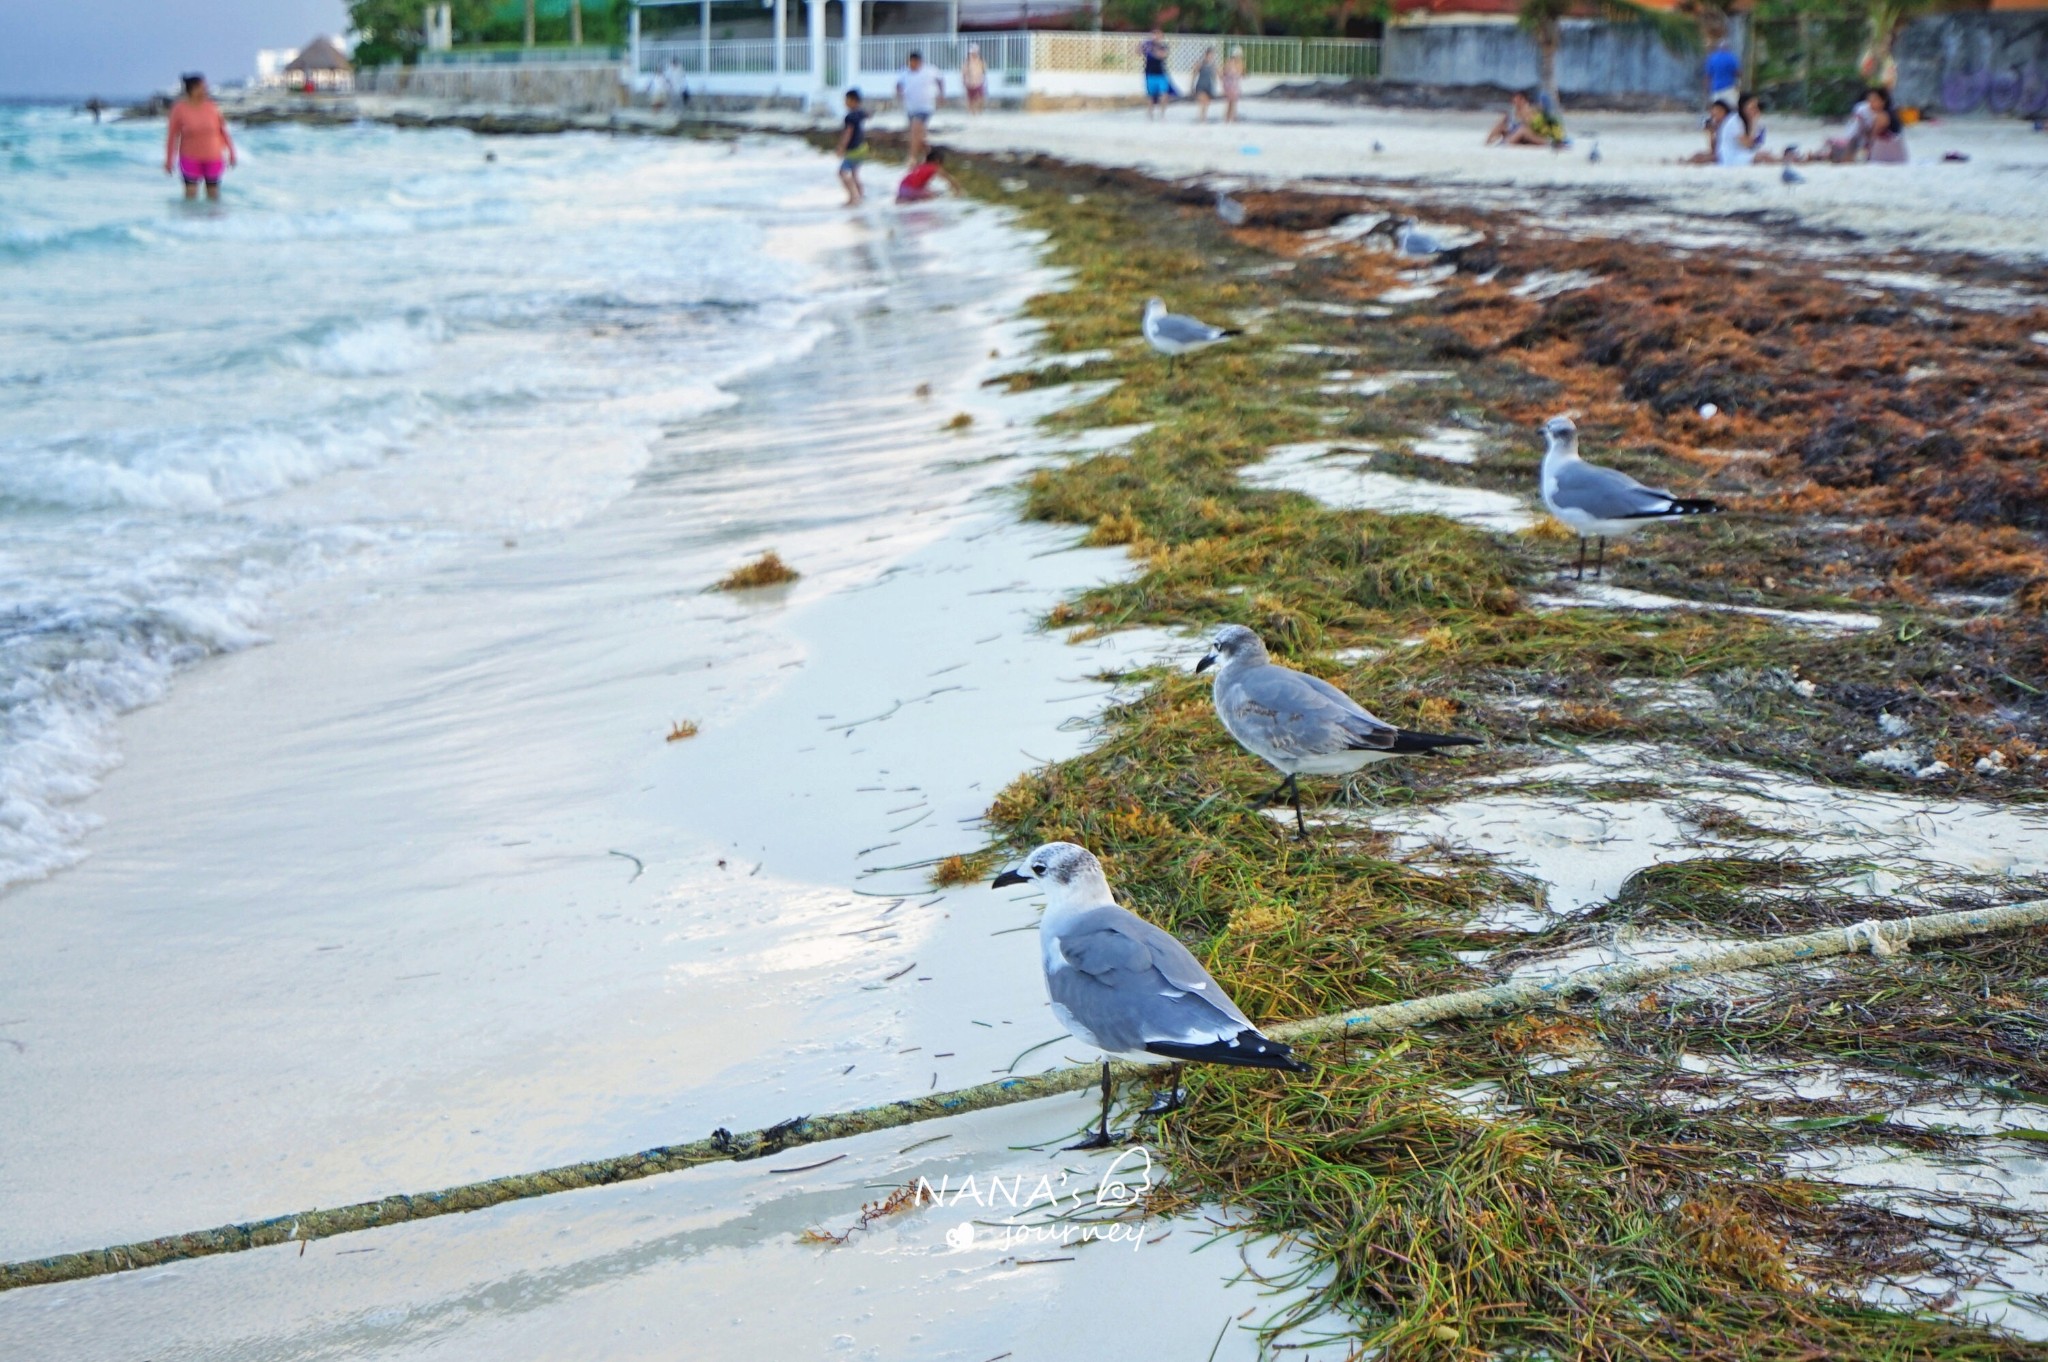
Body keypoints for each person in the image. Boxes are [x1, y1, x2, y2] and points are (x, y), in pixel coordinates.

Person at [164, 73, 235, 202]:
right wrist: (169, 160)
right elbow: (172, 136)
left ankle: (215, 222)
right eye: (202, 87)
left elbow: (223, 131)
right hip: (190, 158)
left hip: (213, 157)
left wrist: (232, 153)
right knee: (191, 197)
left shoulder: (212, 107)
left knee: (214, 196)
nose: (205, 90)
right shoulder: (179, 109)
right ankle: (191, 222)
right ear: (192, 89)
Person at [896, 52, 943, 164]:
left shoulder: (929, 71)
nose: (912, 64)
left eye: (914, 62)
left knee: (914, 130)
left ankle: (912, 157)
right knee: (919, 135)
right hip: (911, 107)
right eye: (910, 62)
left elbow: (940, 80)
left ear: (919, 61)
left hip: (925, 107)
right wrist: (899, 94)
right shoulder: (905, 72)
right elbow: (899, 85)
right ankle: (930, 155)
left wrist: (941, 95)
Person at [1486, 90, 1563, 147]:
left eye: (1516, 99)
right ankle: (1488, 142)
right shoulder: (1513, 111)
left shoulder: (1530, 110)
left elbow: (1534, 125)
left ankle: (1505, 144)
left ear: (1523, 100)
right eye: (1514, 99)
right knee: (1500, 124)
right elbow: (1509, 123)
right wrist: (1505, 125)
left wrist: (1524, 119)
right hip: (1515, 134)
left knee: (1522, 130)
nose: (1514, 101)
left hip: (1529, 135)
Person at [836, 88, 868, 206]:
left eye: (847, 100)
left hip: (853, 150)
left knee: (842, 173)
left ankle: (852, 196)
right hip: (862, 149)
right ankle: (860, 195)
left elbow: (848, 133)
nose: (845, 102)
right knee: (855, 174)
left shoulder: (850, 117)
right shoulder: (860, 113)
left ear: (853, 101)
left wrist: (841, 147)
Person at [1702, 39, 1741, 113]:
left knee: (1717, 109)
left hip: (1716, 88)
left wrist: (1707, 88)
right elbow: (1738, 72)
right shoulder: (1732, 58)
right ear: (1727, 48)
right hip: (1729, 87)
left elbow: (1708, 75)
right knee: (1732, 108)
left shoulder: (1712, 58)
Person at [1141, 29, 1171, 120]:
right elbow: (1138, 52)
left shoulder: (1163, 46)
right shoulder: (1147, 45)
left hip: (1161, 73)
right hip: (1150, 73)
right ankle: (1150, 113)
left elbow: (1162, 55)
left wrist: (1152, 49)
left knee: (1164, 94)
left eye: (1158, 35)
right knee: (1151, 95)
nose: (1156, 37)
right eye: (1155, 35)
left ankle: (1162, 113)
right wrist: (1142, 46)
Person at [1191, 47, 1220, 123]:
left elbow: (1217, 75)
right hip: (1201, 84)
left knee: (1207, 103)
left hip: (1209, 85)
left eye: (1212, 55)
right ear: (1206, 55)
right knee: (1202, 102)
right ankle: (1201, 118)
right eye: (1209, 54)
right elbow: (1194, 74)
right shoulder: (1200, 63)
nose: (1210, 56)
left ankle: (1204, 118)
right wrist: (1192, 85)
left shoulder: (1213, 65)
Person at [961, 43, 987, 115]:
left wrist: (982, 79)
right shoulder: (967, 62)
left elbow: (984, 71)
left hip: (979, 82)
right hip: (969, 83)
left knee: (980, 98)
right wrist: (964, 81)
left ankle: (979, 111)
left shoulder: (981, 61)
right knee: (970, 99)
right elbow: (964, 73)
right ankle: (972, 113)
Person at [1222, 46, 1245, 124]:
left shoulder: (1230, 62)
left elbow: (1224, 73)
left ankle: (1229, 117)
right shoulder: (1234, 63)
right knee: (1232, 101)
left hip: (1231, 83)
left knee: (1231, 101)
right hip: (1232, 84)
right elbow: (1241, 73)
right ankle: (1230, 117)